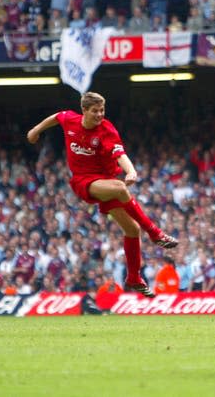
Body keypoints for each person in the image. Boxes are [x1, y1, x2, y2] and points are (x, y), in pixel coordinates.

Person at [26, 92, 178, 298]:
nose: (99, 114)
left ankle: (134, 277)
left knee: (132, 229)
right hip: (83, 181)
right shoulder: (70, 119)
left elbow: (120, 154)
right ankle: (155, 232)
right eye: (95, 111)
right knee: (120, 188)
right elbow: (56, 117)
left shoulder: (106, 130)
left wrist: (131, 171)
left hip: (104, 181)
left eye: (102, 110)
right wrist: (36, 130)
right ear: (84, 111)